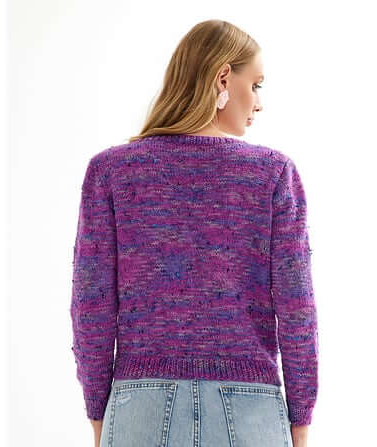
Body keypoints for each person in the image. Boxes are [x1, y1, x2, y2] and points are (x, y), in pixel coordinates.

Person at [70, 19, 319, 447]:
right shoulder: (274, 174)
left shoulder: (111, 171)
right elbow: (296, 309)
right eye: (255, 85)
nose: (258, 103)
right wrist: (300, 421)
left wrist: (99, 412)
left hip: (138, 407)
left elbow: (92, 305)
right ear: (223, 78)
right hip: (250, 410)